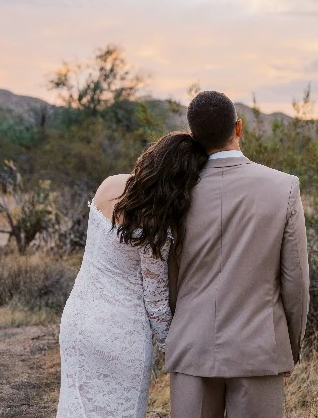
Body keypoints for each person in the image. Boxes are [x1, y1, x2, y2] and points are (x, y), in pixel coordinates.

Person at [165, 91, 310, 418]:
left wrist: (181, 328)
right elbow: (296, 281)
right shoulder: (283, 187)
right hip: (259, 349)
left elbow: (170, 277)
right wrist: (290, 349)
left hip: (192, 346)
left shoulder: (176, 191)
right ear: (239, 128)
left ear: (194, 137)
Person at [56, 132, 208, 418]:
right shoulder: (155, 227)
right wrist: (174, 350)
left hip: (78, 320)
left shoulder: (110, 185)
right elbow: (156, 303)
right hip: (122, 333)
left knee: (78, 408)